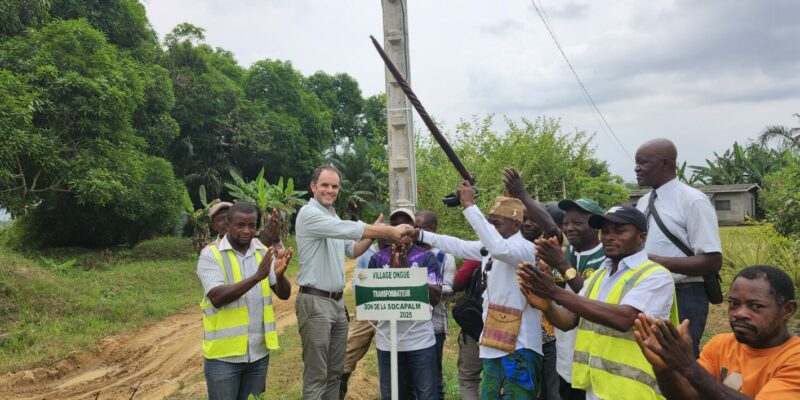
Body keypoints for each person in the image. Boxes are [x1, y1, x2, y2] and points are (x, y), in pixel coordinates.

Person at [519, 205, 677, 400]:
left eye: (619, 231)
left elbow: (624, 318)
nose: (609, 237)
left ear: (641, 237)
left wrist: (555, 292)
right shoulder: (599, 276)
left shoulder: (656, 275)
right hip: (597, 387)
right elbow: (569, 320)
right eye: (606, 231)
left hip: (635, 391)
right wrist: (548, 305)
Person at [294, 165, 415, 400]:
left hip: (337, 303)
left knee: (335, 372)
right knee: (317, 375)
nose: (330, 190)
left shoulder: (332, 216)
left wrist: (373, 233)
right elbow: (348, 229)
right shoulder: (309, 214)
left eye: (335, 186)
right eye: (325, 185)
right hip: (316, 302)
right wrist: (386, 232)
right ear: (313, 186)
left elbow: (353, 250)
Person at [415, 180, 542, 399]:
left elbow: (499, 249)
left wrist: (469, 206)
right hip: (493, 342)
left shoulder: (525, 249)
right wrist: (419, 235)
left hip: (520, 347)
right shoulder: (491, 248)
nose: (491, 229)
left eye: (497, 224)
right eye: (490, 223)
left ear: (516, 224)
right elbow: (458, 245)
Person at [635, 265, 800, 399]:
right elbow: (690, 396)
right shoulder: (720, 345)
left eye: (756, 306)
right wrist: (664, 368)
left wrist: (688, 365)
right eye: (734, 304)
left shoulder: (794, 357)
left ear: (787, 310)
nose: (739, 313)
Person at [634, 138, 723, 357]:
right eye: (636, 162)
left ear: (665, 163)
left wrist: (654, 261)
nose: (636, 168)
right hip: (649, 291)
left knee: (680, 358)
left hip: (684, 294)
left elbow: (712, 260)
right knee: (650, 354)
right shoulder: (643, 202)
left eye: (643, 162)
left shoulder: (693, 201)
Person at [196, 202, 293, 400]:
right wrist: (257, 277)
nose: (247, 231)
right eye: (240, 225)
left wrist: (280, 275)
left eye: (252, 225)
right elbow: (216, 297)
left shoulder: (262, 251)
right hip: (223, 358)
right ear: (228, 224)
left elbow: (284, 294)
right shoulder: (210, 255)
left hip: (258, 355)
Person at [535, 198, 605, 400]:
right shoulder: (564, 254)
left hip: (595, 358)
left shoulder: (606, 257)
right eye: (566, 223)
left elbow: (589, 298)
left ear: (595, 225)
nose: (569, 228)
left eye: (577, 223)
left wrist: (561, 264)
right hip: (566, 353)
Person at [370, 208, 443, 400]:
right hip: (387, 341)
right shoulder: (377, 259)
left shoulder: (427, 258)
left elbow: (435, 296)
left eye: (405, 224)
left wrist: (406, 274)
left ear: (413, 228)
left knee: (426, 395)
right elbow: (371, 298)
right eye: (395, 225)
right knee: (392, 395)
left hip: (420, 340)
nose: (400, 229)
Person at [502, 168, 562, 400]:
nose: (527, 224)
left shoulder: (547, 248)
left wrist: (521, 193)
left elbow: (552, 229)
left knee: (552, 393)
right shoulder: (511, 248)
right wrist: (509, 196)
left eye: (532, 219)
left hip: (549, 336)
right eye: (523, 219)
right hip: (517, 336)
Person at [339, 228, 392, 400]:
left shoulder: (402, 251)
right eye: (384, 235)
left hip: (394, 309)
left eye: (390, 235)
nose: (387, 238)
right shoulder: (367, 253)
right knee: (349, 348)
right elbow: (356, 283)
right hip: (369, 307)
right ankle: (339, 386)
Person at [415, 210, 456, 400]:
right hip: (411, 326)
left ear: (430, 229)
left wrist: (424, 287)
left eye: (417, 227)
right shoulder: (409, 254)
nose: (412, 231)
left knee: (433, 375)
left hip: (434, 326)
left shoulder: (444, 257)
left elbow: (448, 288)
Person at [452, 258, 483, 400]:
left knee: (469, 379)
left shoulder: (479, 253)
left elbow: (458, 282)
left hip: (476, 327)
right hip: (513, 329)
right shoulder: (526, 253)